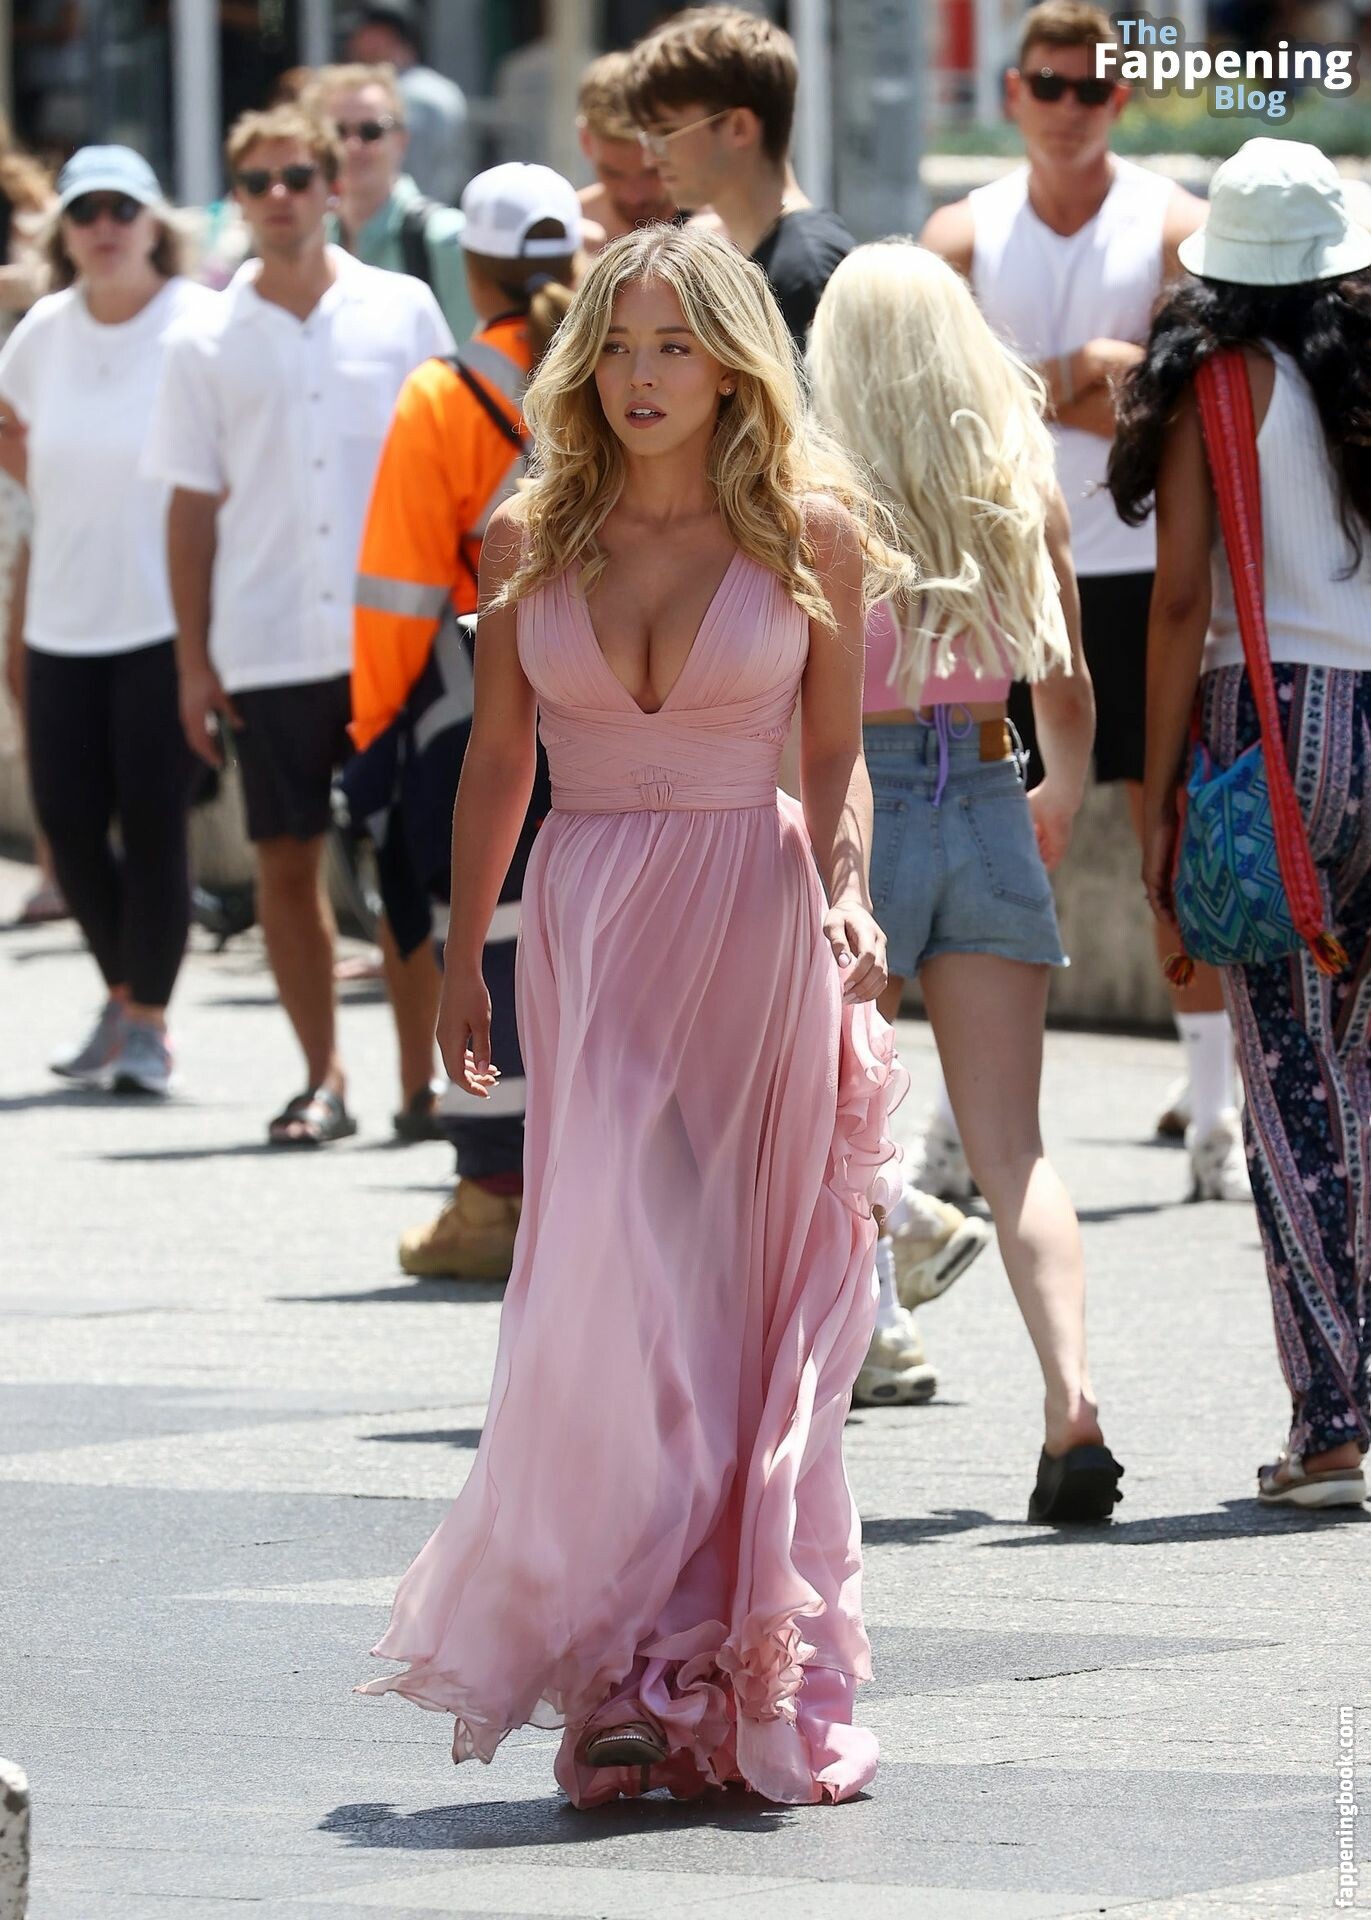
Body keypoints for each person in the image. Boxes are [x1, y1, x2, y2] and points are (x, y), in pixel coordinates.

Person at [358, 225, 911, 1805]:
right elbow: (496, 764)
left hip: (755, 920)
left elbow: (832, 757)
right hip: (589, 931)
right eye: (615, 345)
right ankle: (614, 1662)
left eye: (674, 345)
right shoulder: (529, 532)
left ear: (731, 364)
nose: (642, 375)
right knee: (607, 1294)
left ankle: (690, 1659)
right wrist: (462, 956)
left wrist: (849, 893)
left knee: (729, 1301)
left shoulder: (806, 529)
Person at [810, 241, 1121, 1523]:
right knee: (1015, 1148)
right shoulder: (1016, 481)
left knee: (826, 1127)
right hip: (990, 784)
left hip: (858, 805)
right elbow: (1069, 689)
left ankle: (813, 1412)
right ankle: (1071, 1402)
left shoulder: (813, 491)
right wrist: (1061, 795)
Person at [918, 1, 1244, 1203]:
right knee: (996, 853)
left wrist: (1039, 388)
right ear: (1012, 94)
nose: (1067, 108)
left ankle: (1216, 1118)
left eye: (1089, 89)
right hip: (1007, 578)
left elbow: (1180, 405)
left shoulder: (1177, 226)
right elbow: (942, 405)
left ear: (1120, 98)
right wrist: (1084, 375)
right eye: (1046, 86)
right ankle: (960, 1128)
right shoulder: (961, 232)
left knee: (1175, 840)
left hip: (1148, 578)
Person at [1112, 139, 1371, 1510]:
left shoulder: (1215, 387)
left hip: (1267, 735)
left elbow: (1176, 604)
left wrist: (1160, 794)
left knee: (1288, 1082)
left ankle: (1328, 1422)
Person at [144, 105, 453, 1145]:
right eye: (257, 182)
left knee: (408, 860)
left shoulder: (402, 308)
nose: (278, 198)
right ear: (236, 198)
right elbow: (190, 508)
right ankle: (322, 1079)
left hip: (396, 638)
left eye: (296, 177)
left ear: (331, 186)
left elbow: (450, 468)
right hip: (266, 637)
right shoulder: (202, 335)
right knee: (284, 856)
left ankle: (420, 1082)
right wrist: (191, 661)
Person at [349, 163, 579, 1273]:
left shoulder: (443, 396)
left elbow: (396, 592)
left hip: (469, 692)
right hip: (612, 688)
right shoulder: (625, 372)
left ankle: (492, 1199)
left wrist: (369, 733)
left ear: (472, 269)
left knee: (487, 932)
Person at [0, 146, 217, 1093]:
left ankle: (148, 1023)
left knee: (155, 821)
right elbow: (13, 445)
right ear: (64, 230)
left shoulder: (198, 324)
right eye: (85, 211)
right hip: (61, 619)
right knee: (69, 823)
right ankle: (124, 997)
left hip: (167, 622)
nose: (103, 228)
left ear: (154, 223)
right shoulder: (44, 330)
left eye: (121, 209)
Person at [625, 6, 854, 351]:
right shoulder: (764, 257)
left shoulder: (806, 270)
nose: (649, 157)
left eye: (665, 132)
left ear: (738, 127)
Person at [0, 117, 60, 928]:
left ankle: (58, 863)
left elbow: (58, 278)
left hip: (34, 472)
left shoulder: (35, 208)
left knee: (28, 664)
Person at [304, 62, 476, 344]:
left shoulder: (449, 240)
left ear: (401, 141)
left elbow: (472, 360)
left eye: (370, 131)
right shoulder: (312, 242)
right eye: (338, 132)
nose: (353, 146)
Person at [342, 2, 468, 206]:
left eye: (362, 33)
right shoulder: (436, 88)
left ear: (383, 36)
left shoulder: (415, 97)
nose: (353, 43)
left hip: (412, 213)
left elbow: (420, 175)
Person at [575, 51, 677, 258]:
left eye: (652, 172)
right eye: (613, 173)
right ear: (585, 141)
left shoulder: (726, 228)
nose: (633, 196)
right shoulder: (563, 230)